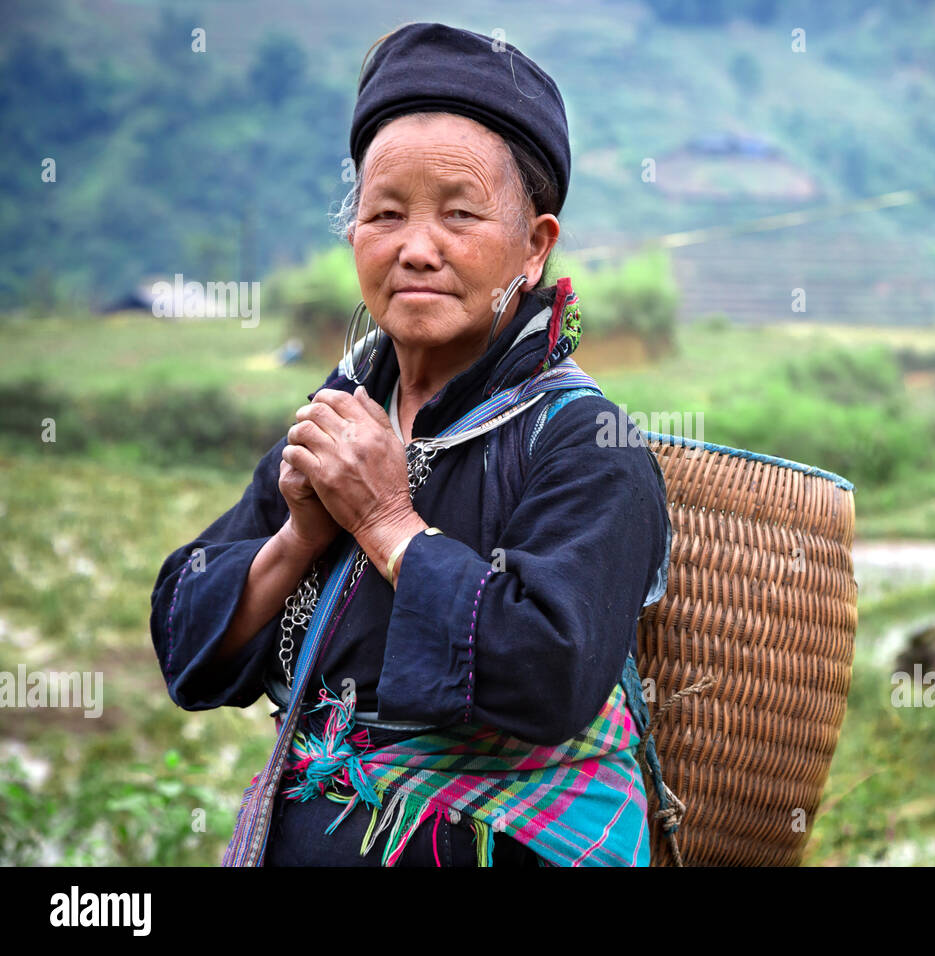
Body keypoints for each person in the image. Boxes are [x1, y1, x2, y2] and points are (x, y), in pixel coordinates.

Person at [148, 22, 671, 867]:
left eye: (460, 215)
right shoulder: (340, 420)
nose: (416, 248)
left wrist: (389, 523)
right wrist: (300, 538)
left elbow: (550, 672)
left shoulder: (586, 446)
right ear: (354, 235)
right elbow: (184, 635)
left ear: (534, 247)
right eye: (384, 213)